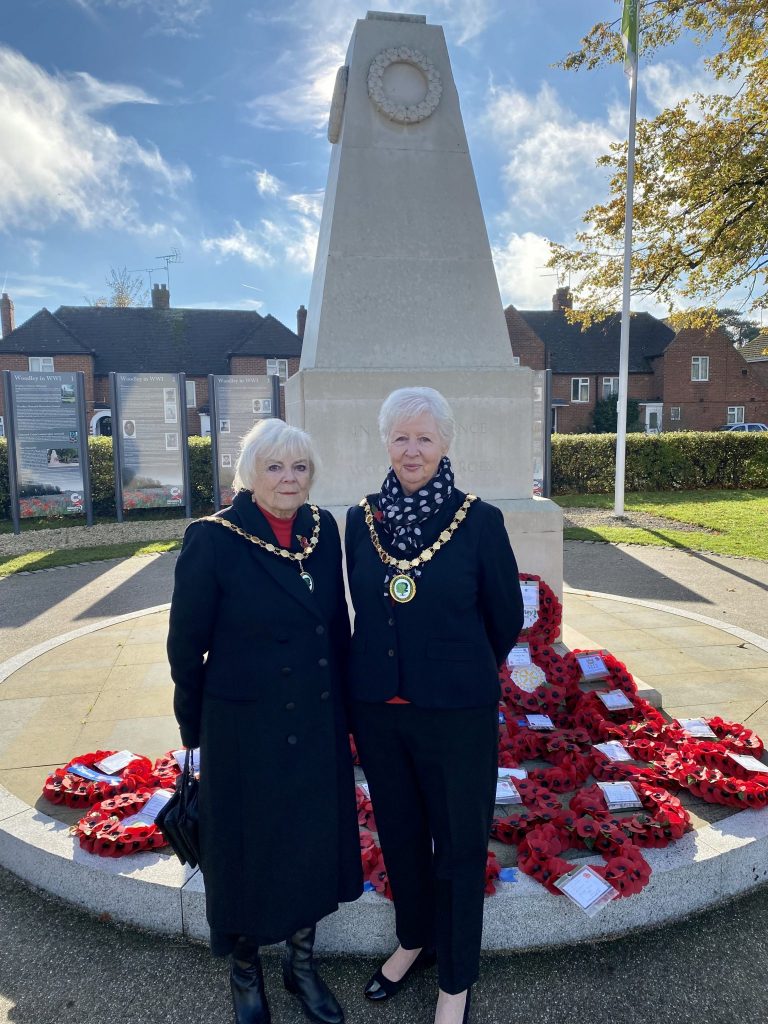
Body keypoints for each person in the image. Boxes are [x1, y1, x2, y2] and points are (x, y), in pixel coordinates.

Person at [167, 418, 362, 1024]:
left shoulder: (321, 529)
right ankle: (245, 970)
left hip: (315, 719)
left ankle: (301, 965)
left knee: (308, 844)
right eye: (275, 467)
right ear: (250, 474)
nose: (288, 478)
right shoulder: (214, 538)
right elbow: (184, 647)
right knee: (246, 851)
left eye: (300, 468)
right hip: (242, 730)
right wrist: (194, 733)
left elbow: (336, 625)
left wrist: (349, 712)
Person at [345, 387, 524, 1024]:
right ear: (385, 443)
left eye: (424, 437)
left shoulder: (480, 522)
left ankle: (456, 979)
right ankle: (414, 940)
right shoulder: (359, 520)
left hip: (456, 714)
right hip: (381, 711)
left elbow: (505, 619)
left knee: (456, 844)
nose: (411, 449)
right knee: (399, 835)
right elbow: (364, 609)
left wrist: (451, 669)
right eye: (400, 437)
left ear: (445, 443)